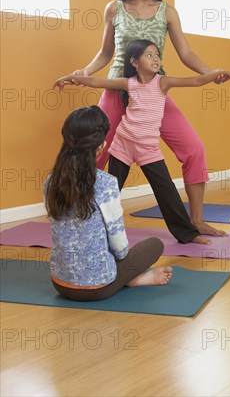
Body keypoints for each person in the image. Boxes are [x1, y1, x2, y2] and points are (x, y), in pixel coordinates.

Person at [72, 0, 230, 237]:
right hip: (118, 91)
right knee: (94, 154)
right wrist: (86, 72)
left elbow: (186, 52)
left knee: (194, 150)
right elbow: (105, 53)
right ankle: (80, 219)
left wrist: (211, 74)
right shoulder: (114, 9)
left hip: (153, 94)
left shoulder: (167, 12)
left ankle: (195, 220)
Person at [54, 39, 230, 244]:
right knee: (109, 191)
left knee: (167, 192)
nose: (155, 59)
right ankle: (90, 227)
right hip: (123, 144)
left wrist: (223, 73)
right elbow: (97, 82)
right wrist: (70, 78)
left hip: (147, 149)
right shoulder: (128, 84)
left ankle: (187, 233)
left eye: (157, 54)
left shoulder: (162, 82)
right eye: (149, 55)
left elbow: (195, 81)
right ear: (134, 62)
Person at [44, 105, 172, 302]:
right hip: (98, 288)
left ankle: (128, 278)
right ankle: (132, 279)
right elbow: (119, 247)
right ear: (101, 146)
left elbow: (58, 233)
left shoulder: (50, 181)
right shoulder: (106, 184)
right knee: (155, 244)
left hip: (60, 283)